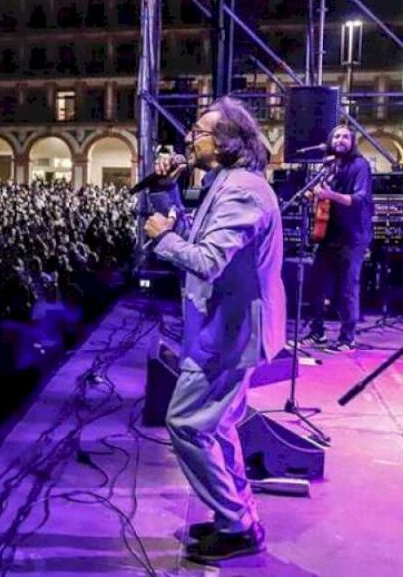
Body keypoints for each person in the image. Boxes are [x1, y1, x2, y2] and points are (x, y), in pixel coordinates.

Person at [145, 96, 285, 562]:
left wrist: (161, 240)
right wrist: (167, 192)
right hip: (223, 330)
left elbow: (206, 260)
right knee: (217, 427)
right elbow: (200, 238)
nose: (190, 137)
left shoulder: (242, 190)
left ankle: (237, 524)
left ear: (228, 141)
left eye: (200, 131)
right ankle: (237, 516)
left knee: (185, 422)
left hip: (231, 333)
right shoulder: (226, 183)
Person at [298, 125, 374, 352]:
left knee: (347, 289)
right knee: (316, 286)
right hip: (329, 234)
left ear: (352, 142)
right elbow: (323, 201)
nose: (340, 140)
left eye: (345, 137)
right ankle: (317, 333)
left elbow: (360, 199)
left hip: (353, 235)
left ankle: (347, 339)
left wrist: (330, 195)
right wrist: (312, 196)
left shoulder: (360, 166)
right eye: (337, 136)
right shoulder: (329, 166)